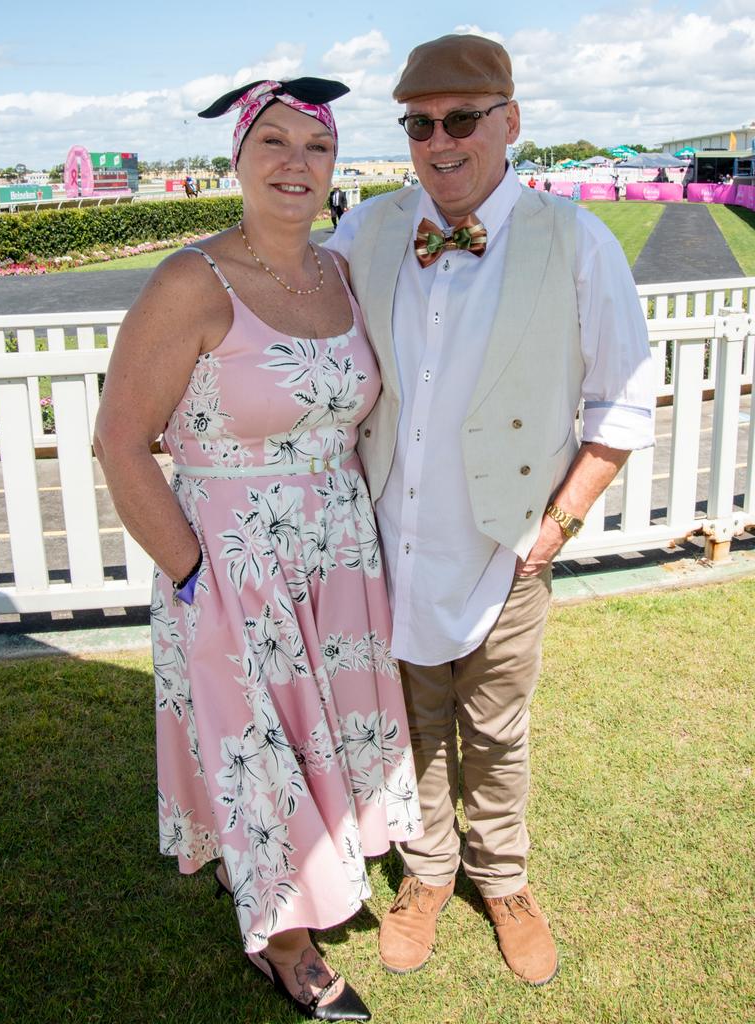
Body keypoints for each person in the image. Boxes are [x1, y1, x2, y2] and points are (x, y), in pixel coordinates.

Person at [328, 33, 654, 986]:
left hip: (509, 550)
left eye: (462, 119)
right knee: (417, 722)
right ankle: (429, 871)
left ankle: (503, 878)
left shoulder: (577, 240)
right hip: (395, 543)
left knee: (497, 732)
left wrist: (553, 532)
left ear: (509, 122)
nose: (440, 142)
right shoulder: (372, 228)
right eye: (421, 124)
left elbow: (623, 405)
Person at [94, 75, 422, 1022]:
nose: (295, 163)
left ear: (335, 166)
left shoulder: (341, 271)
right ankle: (286, 942)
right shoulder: (190, 280)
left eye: (315, 147)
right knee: (257, 748)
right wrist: (193, 572)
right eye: (271, 142)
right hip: (232, 562)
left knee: (321, 725)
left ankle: (332, 866)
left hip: (339, 555)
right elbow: (121, 439)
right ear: (234, 160)